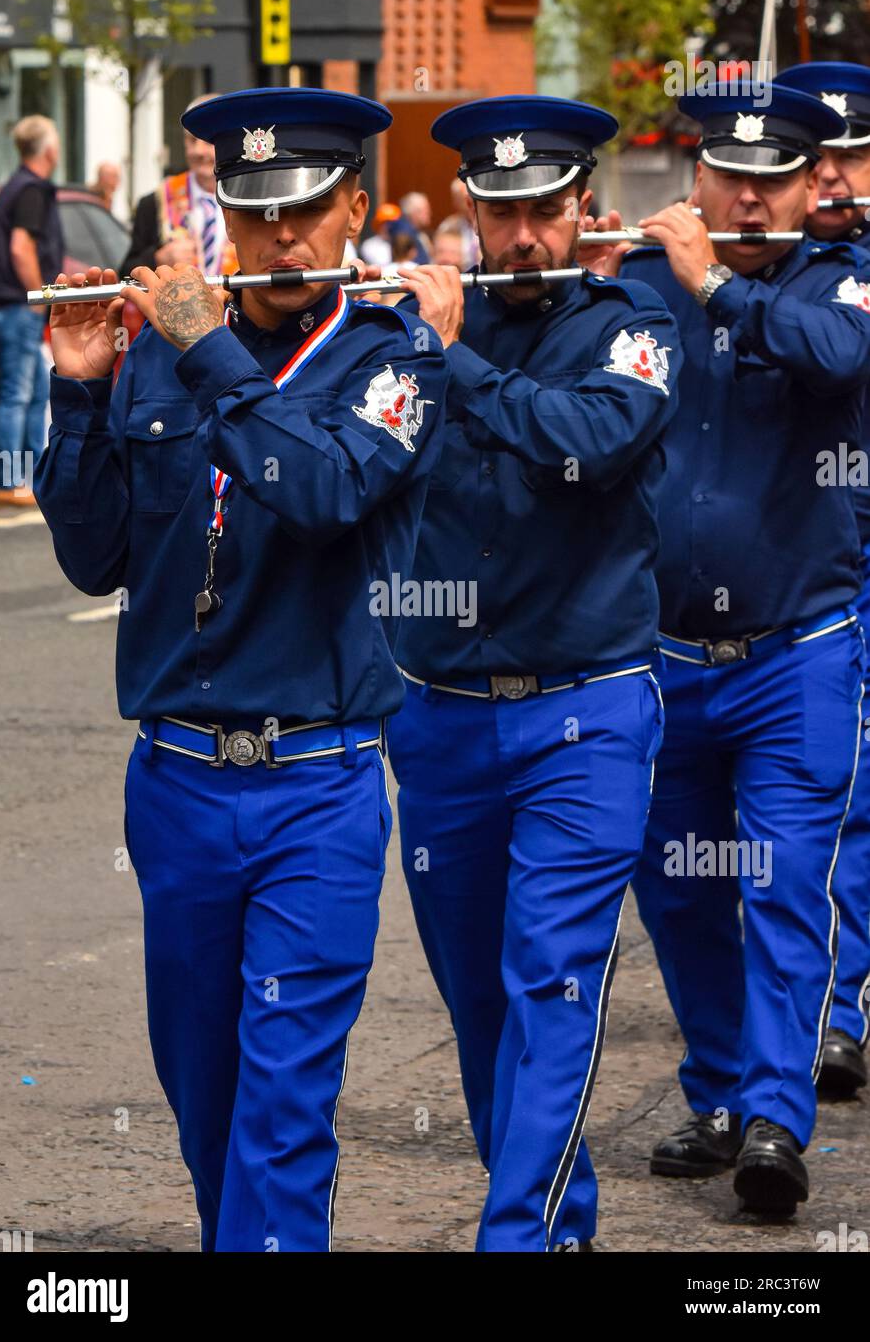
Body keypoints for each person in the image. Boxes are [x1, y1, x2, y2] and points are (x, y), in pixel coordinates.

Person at [34, 86, 448, 1253]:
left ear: (353, 208)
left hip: (315, 786)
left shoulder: (392, 358)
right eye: (254, 211)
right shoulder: (163, 355)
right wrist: (76, 393)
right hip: (174, 783)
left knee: (281, 1108)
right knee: (204, 1097)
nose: (280, 237)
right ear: (224, 215)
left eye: (306, 210)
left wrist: (207, 349)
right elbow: (94, 556)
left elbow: (321, 492)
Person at [385, 95, 681, 1252]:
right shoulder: (420, 327)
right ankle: (557, 1221)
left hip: (586, 707)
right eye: (499, 210)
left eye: (543, 212)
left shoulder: (630, 323)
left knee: (548, 981)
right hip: (443, 713)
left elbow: (589, 440)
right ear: (467, 207)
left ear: (579, 208)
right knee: (479, 1003)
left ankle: (512, 1238)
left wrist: (449, 360)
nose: (521, 236)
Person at [593, 82, 870, 1214]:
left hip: (796, 650)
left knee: (786, 886)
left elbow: (833, 359)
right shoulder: (632, 286)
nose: (748, 199)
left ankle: (772, 1116)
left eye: (773, 183)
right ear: (694, 181)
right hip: (660, 655)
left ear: (809, 190)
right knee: (679, 892)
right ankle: (713, 1090)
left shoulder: (838, 281)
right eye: (729, 180)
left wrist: (711, 280)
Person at [774, 62, 870, 1098]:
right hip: (821, 548)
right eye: (822, 158)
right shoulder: (784, 265)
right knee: (834, 791)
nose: (838, 176)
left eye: (852, 155)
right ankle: (831, 1009)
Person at [0, 114, 63, 507]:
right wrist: (39, 298)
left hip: (5, 305)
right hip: (16, 305)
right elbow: (20, 247)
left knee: (34, 391)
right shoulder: (32, 189)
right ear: (48, 150)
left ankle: (30, 479)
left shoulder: (16, 185)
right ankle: (7, 484)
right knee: (17, 393)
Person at [120, 94, 238, 279]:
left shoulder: (251, 198)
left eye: (208, 141)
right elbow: (126, 272)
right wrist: (158, 258)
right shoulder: (155, 203)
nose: (198, 151)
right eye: (192, 141)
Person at [398, 190, 433, 261]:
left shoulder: (419, 233)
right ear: (413, 212)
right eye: (425, 210)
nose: (430, 213)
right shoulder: (405, 235)